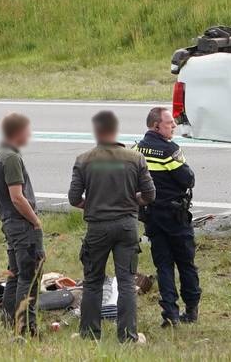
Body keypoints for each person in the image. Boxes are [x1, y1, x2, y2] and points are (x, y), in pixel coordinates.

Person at [68, 110, 156, 343]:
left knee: (93, 280)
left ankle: (88, 334)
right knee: (126, 282)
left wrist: (93, 205)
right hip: (126, 226)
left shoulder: (84, 160)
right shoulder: (135, 158)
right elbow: (150, 194)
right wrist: (131, 202)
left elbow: (74, 198)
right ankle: (128, 337)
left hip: (97, 227)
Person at [133, 107, 200, 327]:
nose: (173, 126)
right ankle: (191, 310)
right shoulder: (170, 150)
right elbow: (187, 179)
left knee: (163, 265)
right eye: (169, 123)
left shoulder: (136, 150)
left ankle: (170, 314)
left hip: (151, 216)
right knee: (186, 263)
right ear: (156, 126)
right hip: (175, 216)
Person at [0, 113, 43, 338]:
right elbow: (18, 197)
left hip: (9, 223)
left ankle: (9, 320)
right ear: (17, 132)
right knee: (29, 277)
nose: (29, 135)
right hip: (21, 225)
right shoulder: (11, 158)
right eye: (27, 131)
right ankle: (26, 328)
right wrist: (35, 221)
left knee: (14, 274)